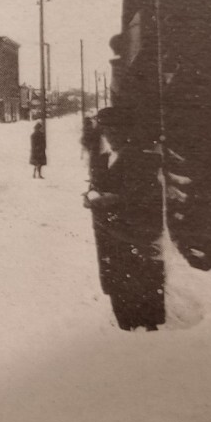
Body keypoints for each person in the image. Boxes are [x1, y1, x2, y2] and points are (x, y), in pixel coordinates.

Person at [83, 108, 166, 330]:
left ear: (127, 131)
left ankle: (147, 334)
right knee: (117, 289)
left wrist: (114, 200)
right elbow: (96, 187)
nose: (110, 136)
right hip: (107, 237)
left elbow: (147, 197)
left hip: (131, 236)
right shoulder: (102, 159)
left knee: (139, 292)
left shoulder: (142, 160)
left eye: (115, 130)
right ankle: (125, 329)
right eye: (106, 131)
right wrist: (90, 197)